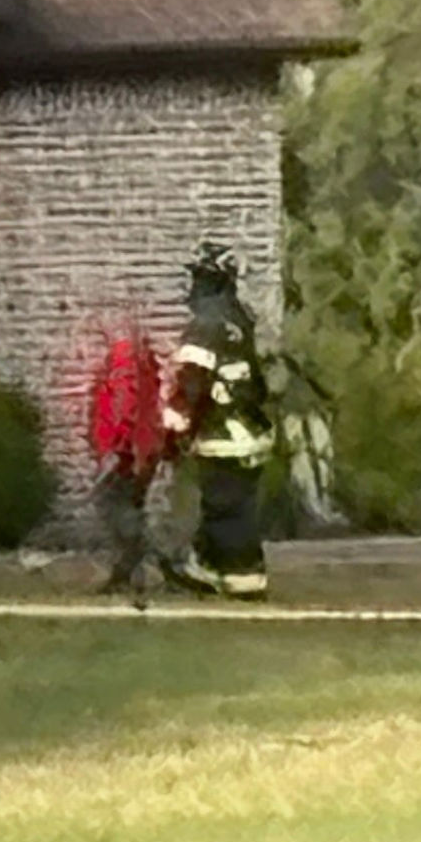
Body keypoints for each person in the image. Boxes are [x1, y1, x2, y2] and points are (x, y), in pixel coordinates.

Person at [166, 242, 278, 600]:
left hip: (222, 437)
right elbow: (259, 384)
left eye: (196, 279)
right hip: (251, 433)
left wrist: (175, 430)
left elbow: (191, 388)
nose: (191, 289)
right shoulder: (239, 320)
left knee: (224, 509)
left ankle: (241, 579)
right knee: (232, 506)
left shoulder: (204, 327)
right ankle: (212, 568)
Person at [84, 324, 171, 596]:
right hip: (135, 452)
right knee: (126, 506)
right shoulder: (139, 368)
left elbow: (125, 411)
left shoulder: (125, 367)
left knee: (114, 506)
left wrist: (118, 447)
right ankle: (132, 569)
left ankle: (148, 560)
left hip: (124, 454)